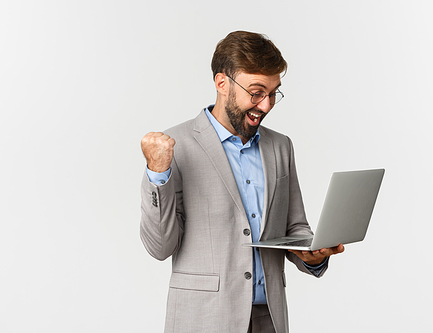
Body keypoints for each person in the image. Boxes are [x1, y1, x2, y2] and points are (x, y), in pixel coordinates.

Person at [140, 30, 344, 333]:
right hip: (204, 319)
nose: (266, 105)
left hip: (269, 317)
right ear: (222, 83)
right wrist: (157, 172)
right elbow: (159, 246)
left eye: (273, 93)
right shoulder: (176, 145)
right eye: (257, 92)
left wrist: (311, 254)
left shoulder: (280, 146)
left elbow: (294, 228)